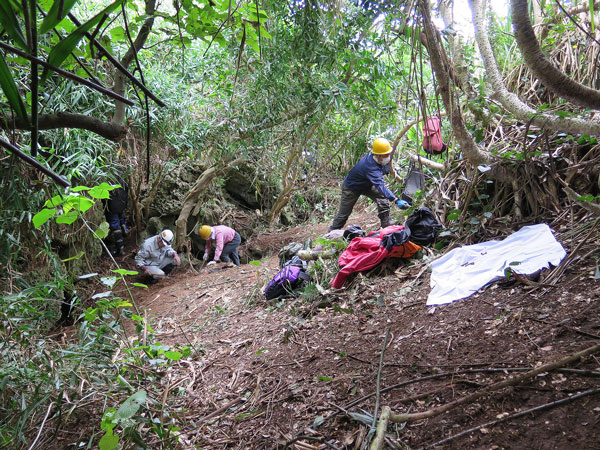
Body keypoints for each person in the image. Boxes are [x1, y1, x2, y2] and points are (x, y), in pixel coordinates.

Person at [329, 137, 409, 232]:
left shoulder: (376, 158)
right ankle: (332, 232)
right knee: (344, 214)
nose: (388, 157)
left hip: (366, 185)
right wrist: (396, 200)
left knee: (382, 197)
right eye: (385, 155)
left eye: (388, 154)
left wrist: (386, 169)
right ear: (378, 155)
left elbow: (381, 169)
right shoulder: (369, 166)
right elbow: (380, 186)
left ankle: (386, 222)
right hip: (352, 188)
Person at [102, 177, 129, 256]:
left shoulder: (106, 179)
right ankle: (124, 227)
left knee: (115, 226)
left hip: (112, 207)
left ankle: (120, 249)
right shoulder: (122, 178)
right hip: (122, 204)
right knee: (121, 216)